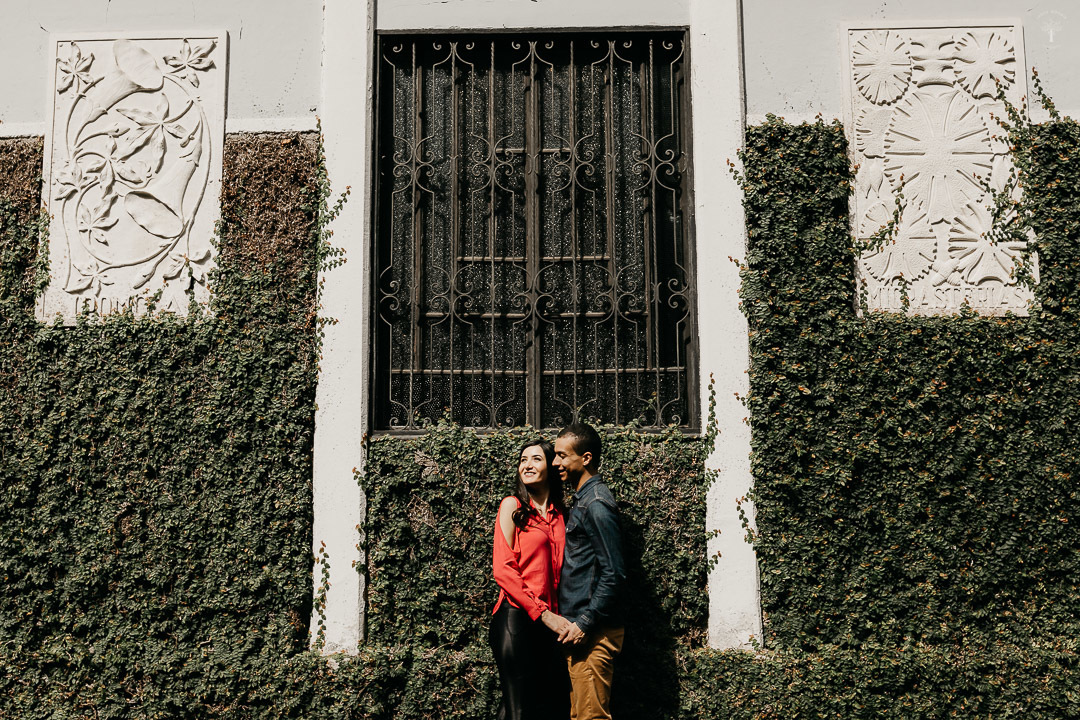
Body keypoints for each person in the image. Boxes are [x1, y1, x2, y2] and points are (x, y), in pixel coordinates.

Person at [489, 439, 571, 720]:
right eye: (523, 460)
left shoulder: (561, 515)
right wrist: (544, 614)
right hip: (516, 617)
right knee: (520, 712)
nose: (527, 465)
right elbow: (503, 569)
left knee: (524, 707)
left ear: (550, 466)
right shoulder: (511, 506)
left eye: (536, 459)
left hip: (549, 625)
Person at [551, 422, 626, 720]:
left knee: (591, 717)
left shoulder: (596, 504)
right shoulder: (584, 500)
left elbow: (614, 573)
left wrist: (584, 621)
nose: (555, 462)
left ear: (586, 458)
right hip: (584, 631)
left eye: (562, 456)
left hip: (594, 634)